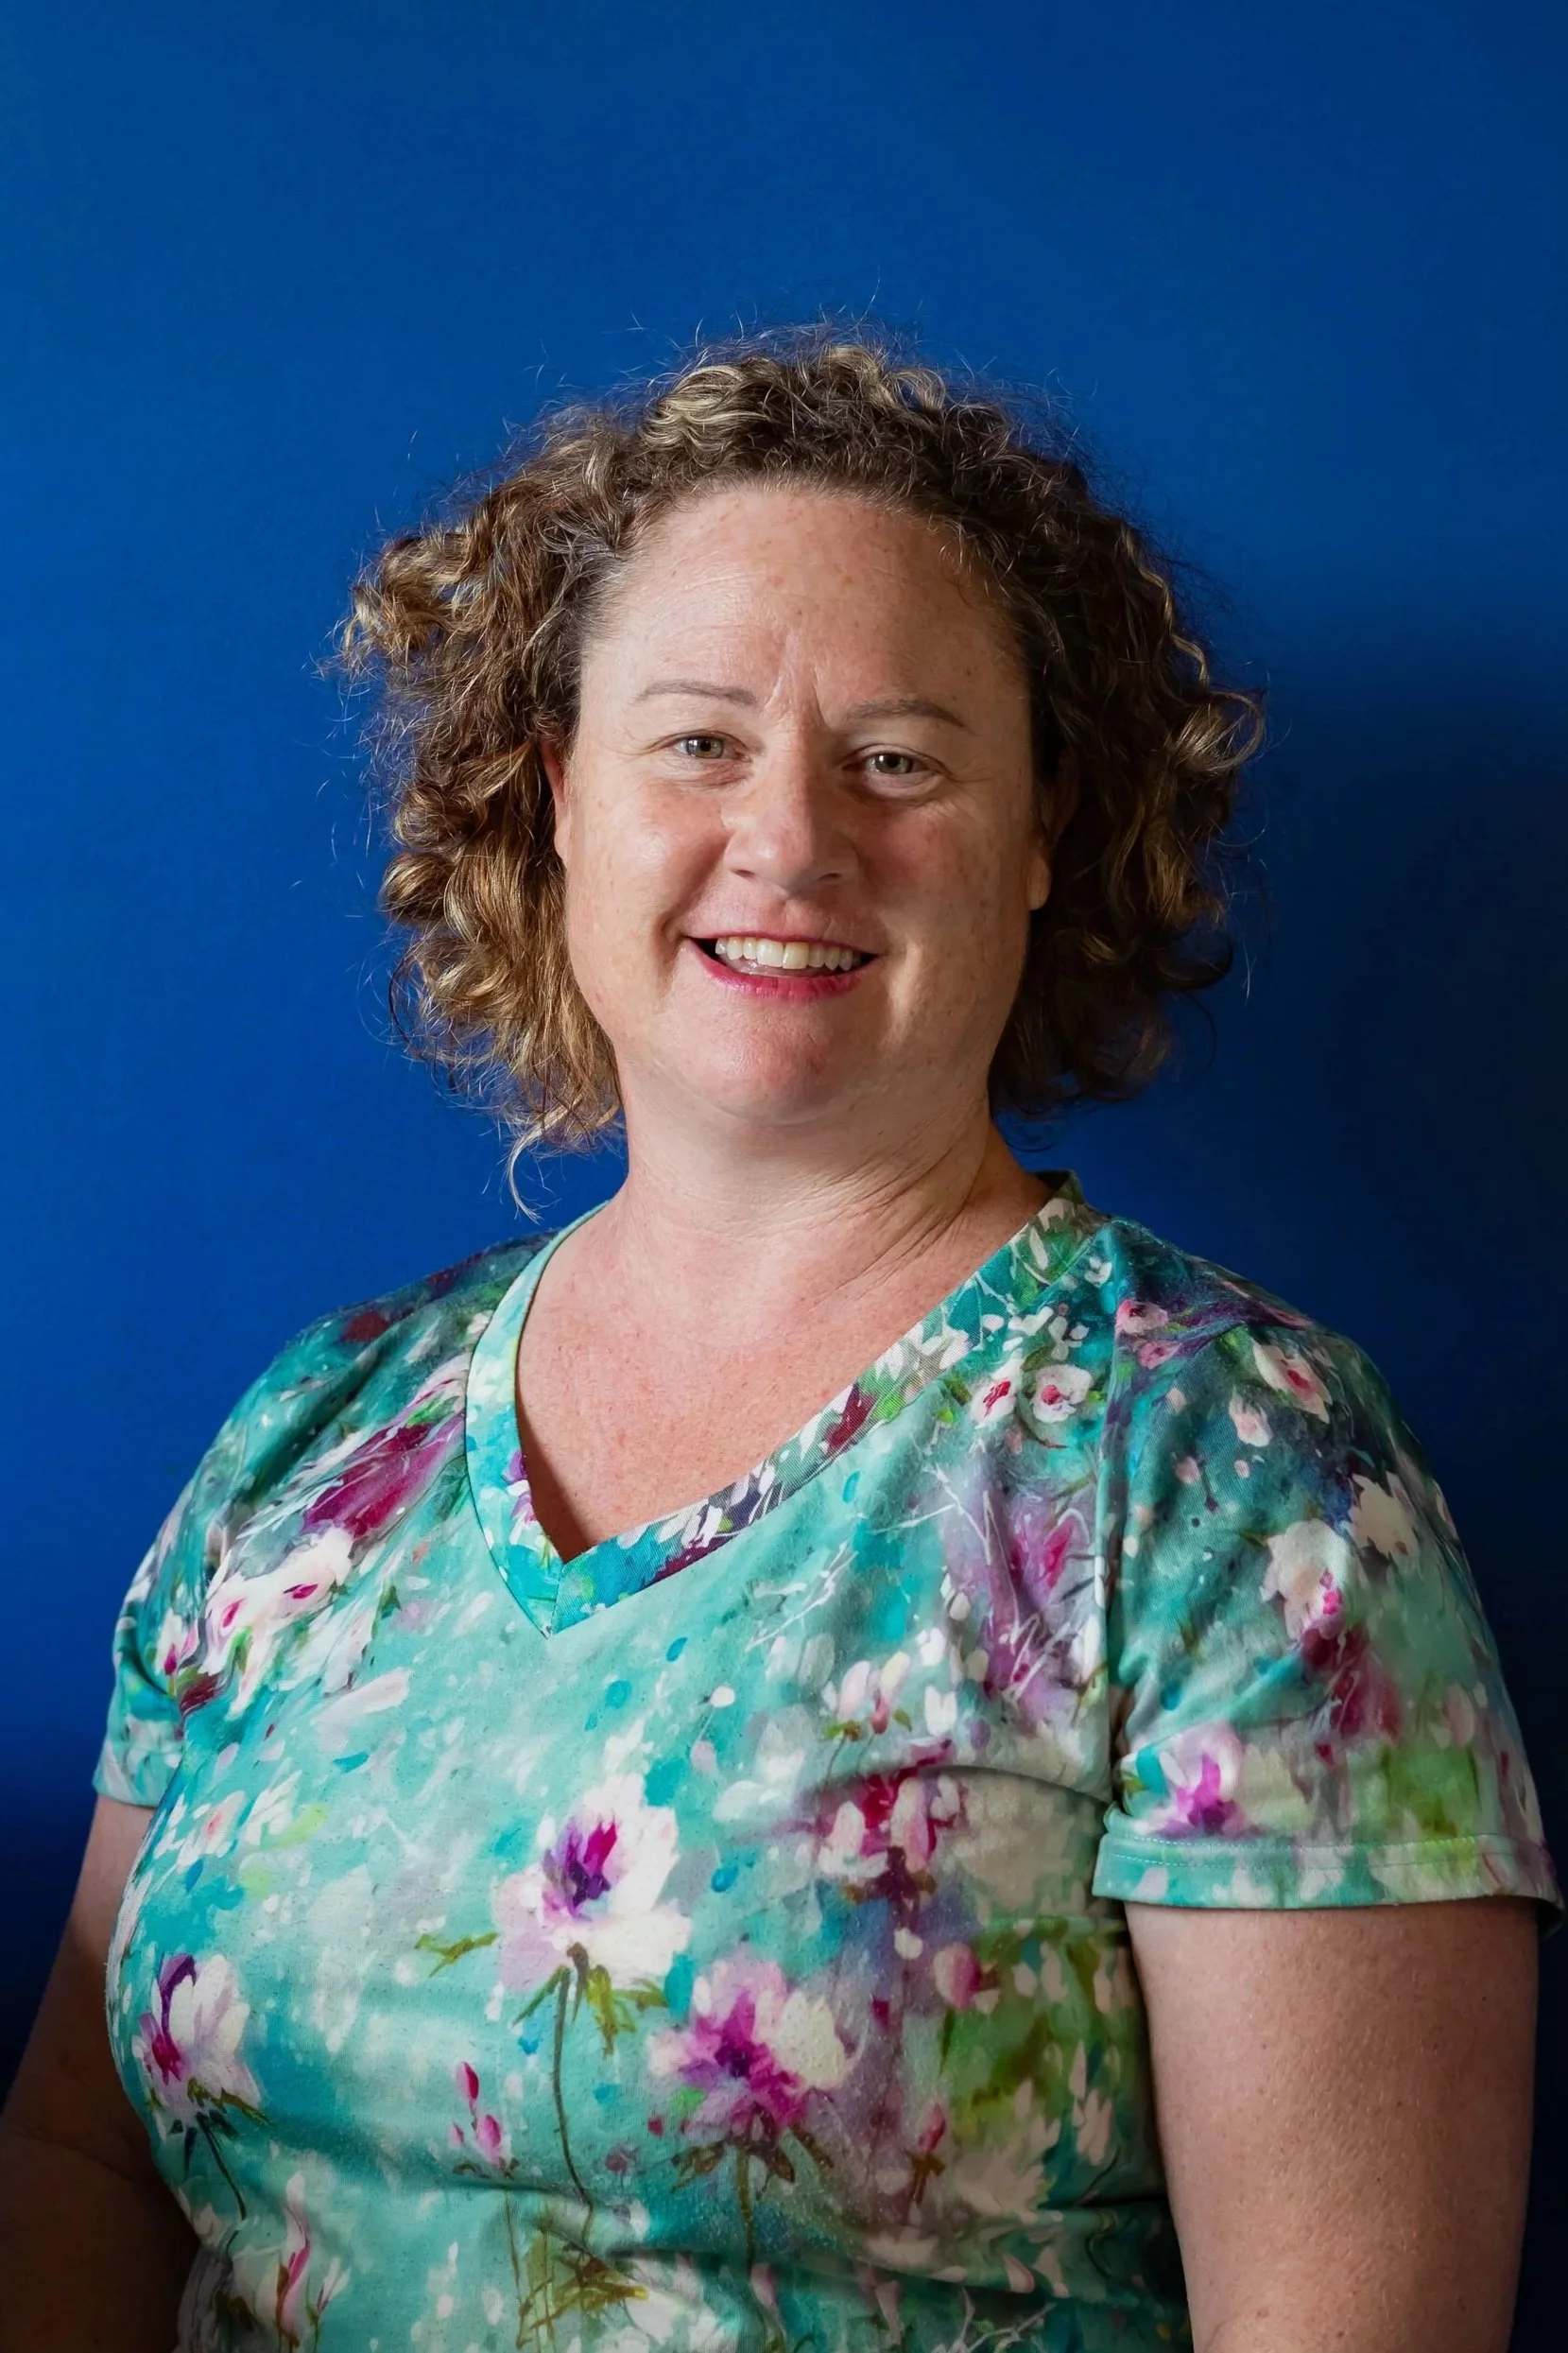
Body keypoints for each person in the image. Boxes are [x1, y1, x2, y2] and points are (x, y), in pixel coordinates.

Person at [1, 326, 1557, 2353]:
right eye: (698, 741)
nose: (793, 837)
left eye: (898, 758)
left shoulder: (1235, 1482)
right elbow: (76, 2160)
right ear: (558, 798)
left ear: (1039, 832)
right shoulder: (320, 1438)